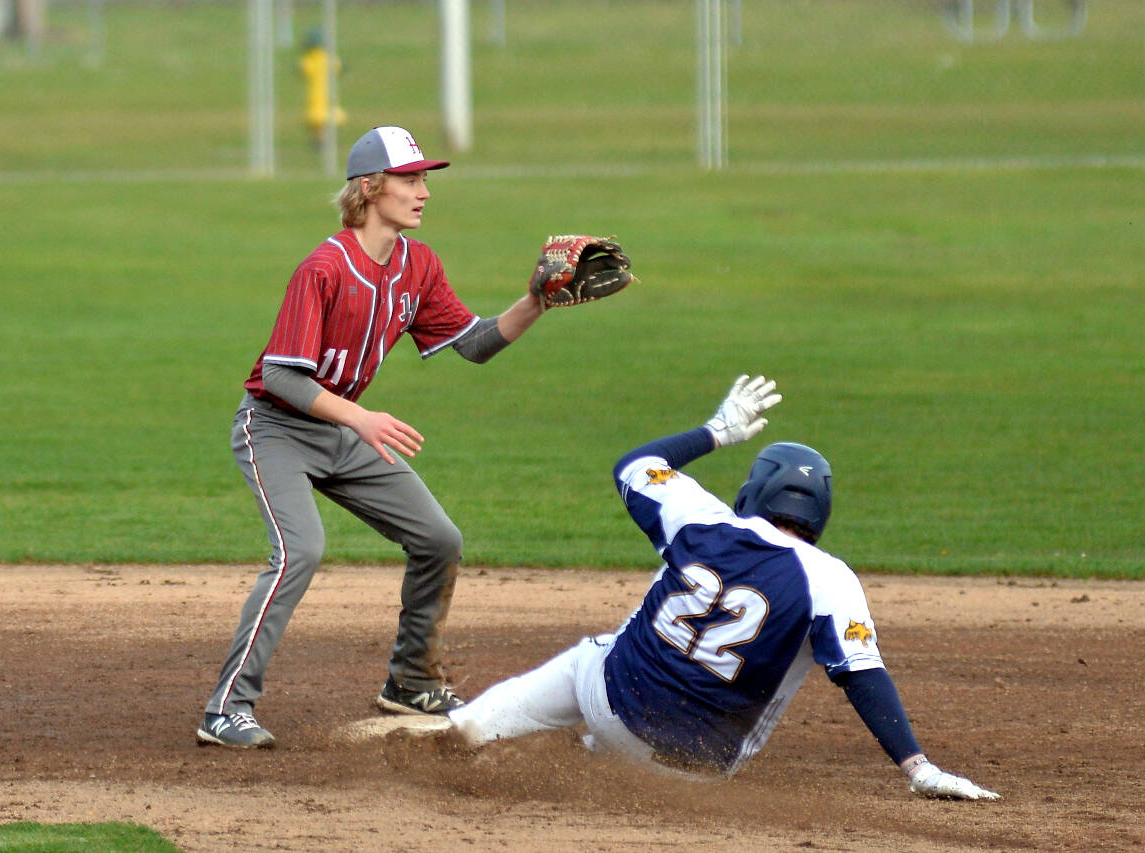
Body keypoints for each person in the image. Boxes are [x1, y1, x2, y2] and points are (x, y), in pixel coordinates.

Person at [369, 375, 1000, 799]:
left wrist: (718, 431)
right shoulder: (832, 581)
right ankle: (600, 760)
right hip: (696, 774)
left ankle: (474, 730)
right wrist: (918, 768)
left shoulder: (701, 519)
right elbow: (863, 677)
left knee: (600, 652)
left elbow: (634, 466)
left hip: (606, 702)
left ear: (753, 491)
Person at [197, 126, 547, 749]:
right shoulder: (324, 267)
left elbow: (473, 343)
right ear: (370, 187)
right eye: (410, 179)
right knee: (299, 553)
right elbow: (279, 374)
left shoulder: (419, 265)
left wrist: (536, 302)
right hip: (275, 428)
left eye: (424, 178)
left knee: (439, 539)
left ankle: (411, 680)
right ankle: (226, 709)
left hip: (340, 430)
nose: (424, 191)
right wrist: (360, 418)